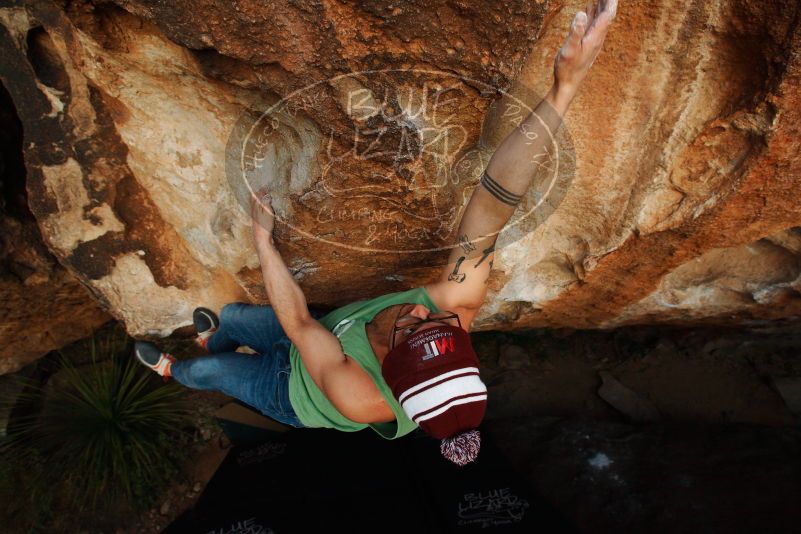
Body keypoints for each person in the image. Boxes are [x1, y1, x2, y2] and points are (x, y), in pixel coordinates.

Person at [135, 1, 617, 466]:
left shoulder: (359, 399)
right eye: (431, 322)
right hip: (327, 337)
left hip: (294, 391)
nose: (412, 310)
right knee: (235, 317)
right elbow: (494, 201)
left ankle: (176, 369)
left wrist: (264, 242)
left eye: (407, 331)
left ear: (388, 371)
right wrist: (564, 89)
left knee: (209, 372)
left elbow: (299, 324)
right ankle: (214, 338)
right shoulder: (455, 308)